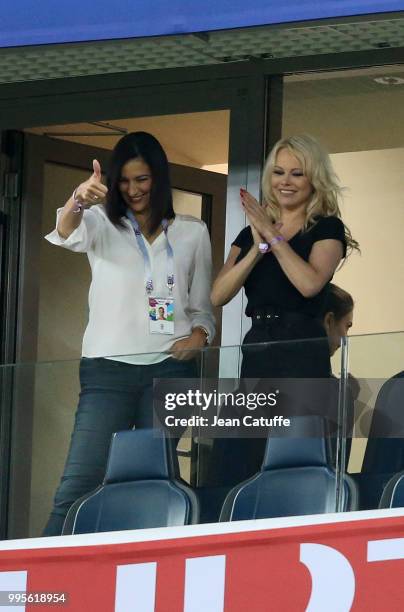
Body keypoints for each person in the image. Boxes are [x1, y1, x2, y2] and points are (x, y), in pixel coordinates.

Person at [43, 131, 215, 535]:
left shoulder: (192, 231)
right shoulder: (101, 221)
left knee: (153, 481)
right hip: (107, 371)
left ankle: (141, 572)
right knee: (80, 481)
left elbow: (202, 308)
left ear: (159, 178)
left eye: (142, 179)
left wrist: (199, 337)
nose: (133, 189)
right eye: (124, 180)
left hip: (171, 371)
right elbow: (65, 233)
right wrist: (79, 200)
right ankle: (34, 585)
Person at [209, 135, 359, 486]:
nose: (285, 182)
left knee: (295, 446)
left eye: (296, 174)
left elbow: (309, 284)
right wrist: (257, 245)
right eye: (278, 173)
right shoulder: (252, 232)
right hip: (259, 341)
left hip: (301, 342)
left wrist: (275, 240)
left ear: (313, 180)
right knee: (251, 450)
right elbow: (218, 294)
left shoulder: (326, 227)